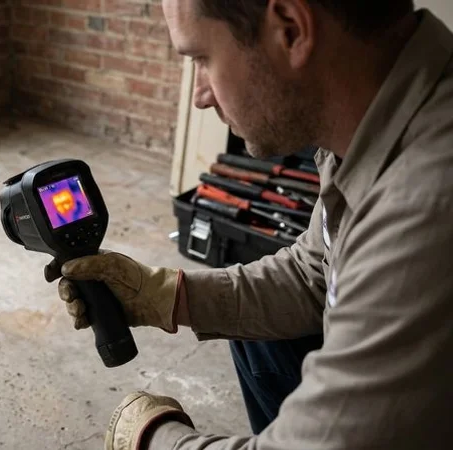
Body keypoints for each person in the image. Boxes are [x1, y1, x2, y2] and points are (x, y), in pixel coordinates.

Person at [44, 0, 453, 448]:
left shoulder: (425, 201)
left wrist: (149, 437)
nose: (200, 94)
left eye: (201, 58)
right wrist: (168, 295)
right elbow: (313, 276)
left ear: (291, 31)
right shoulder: (371, 127)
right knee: (257, 334)